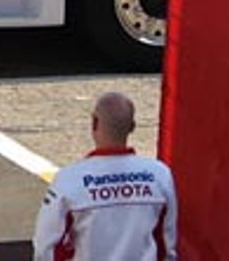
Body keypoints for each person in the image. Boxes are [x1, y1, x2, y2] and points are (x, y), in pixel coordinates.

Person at [31, 91, 178, 261]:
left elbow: (46, 247)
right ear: (132, 127)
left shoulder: (68, 180)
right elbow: (167, 244)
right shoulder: (160, 175)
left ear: (94, 123)